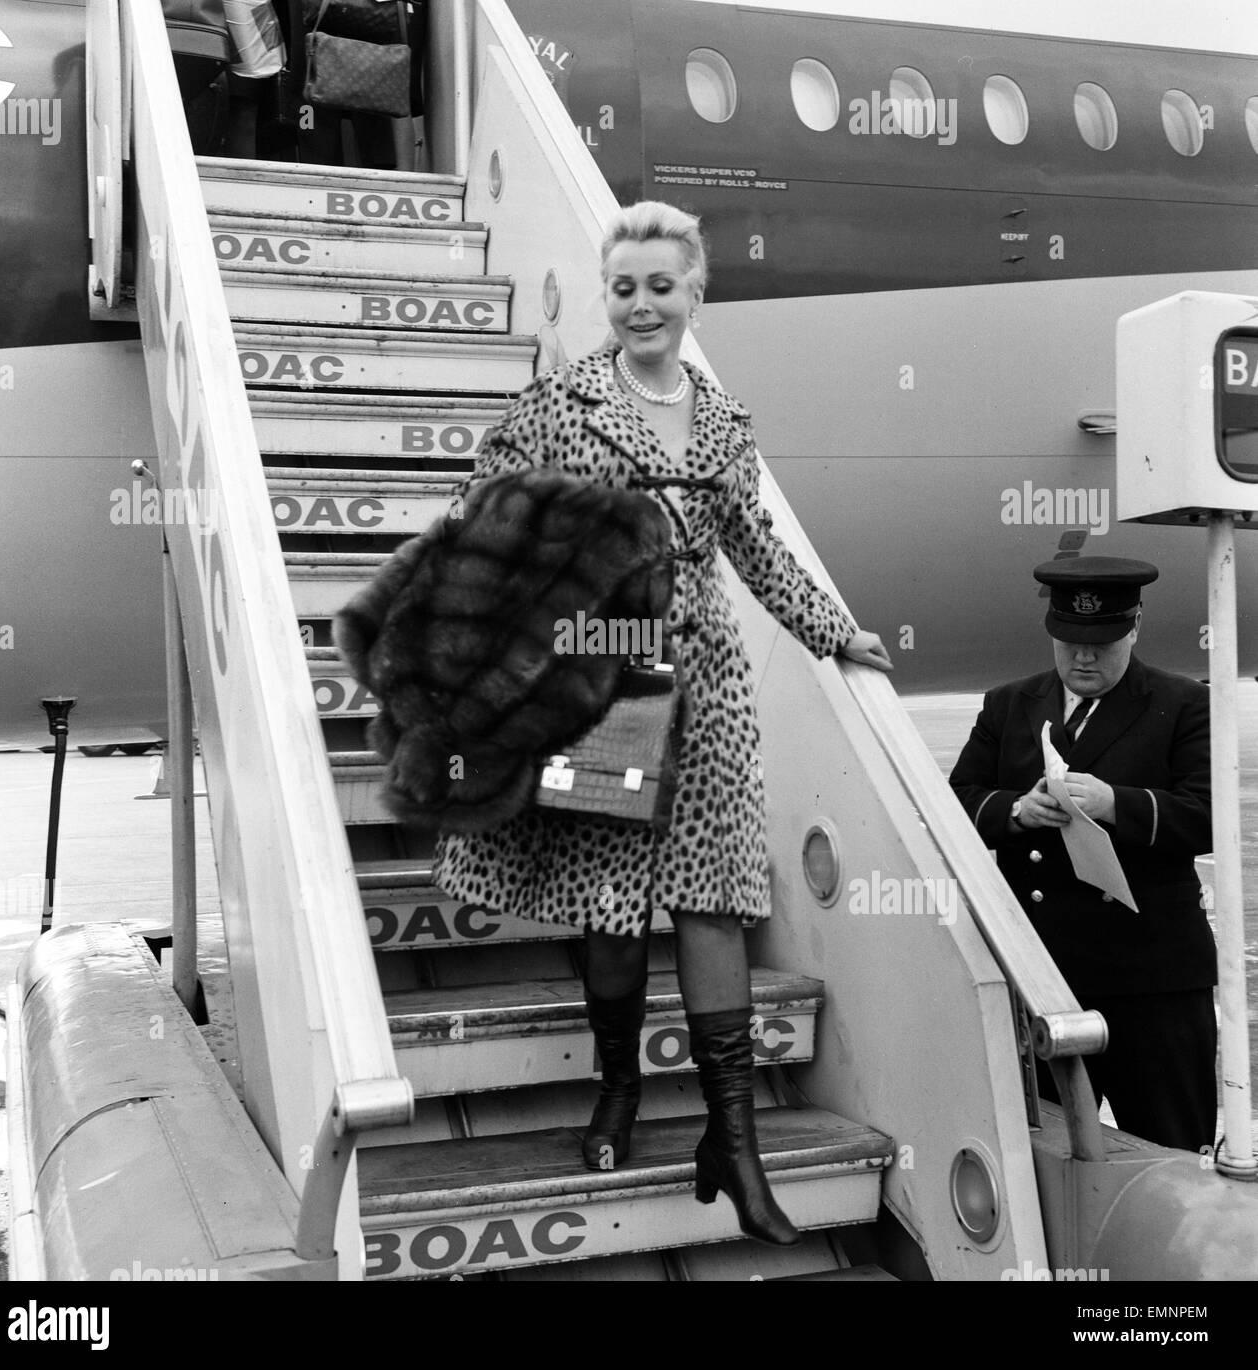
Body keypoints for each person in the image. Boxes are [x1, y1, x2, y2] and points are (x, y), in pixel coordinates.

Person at [429, 201, 893, 1246]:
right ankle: (618, 1091)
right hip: (607, 678)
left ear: (695, 293)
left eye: (660, 285)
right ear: (611, 296)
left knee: (713, 897)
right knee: (609, 901)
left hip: (712, 680)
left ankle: (732, 1141)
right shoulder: (563, 402)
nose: (642, 303)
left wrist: (833, 630)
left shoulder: (725, 420)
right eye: (624, 286)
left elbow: (756, 545)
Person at [948, 556, 1216, 1152]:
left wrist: (1115, 803)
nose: (1083, 657)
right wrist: (1017, 811)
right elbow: (958, 802)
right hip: (1045, 974)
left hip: (1153, 985)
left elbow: (1206, 816)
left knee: (1169, 1152)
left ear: (1134, 628)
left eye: (1100, 642)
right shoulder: (1009, 705)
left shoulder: (1183, 704)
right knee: (1044, 1154)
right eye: (1069, 642)